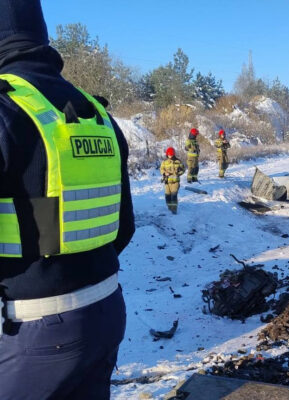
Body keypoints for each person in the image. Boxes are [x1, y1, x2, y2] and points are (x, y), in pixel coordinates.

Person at [0, 1, 135, 398]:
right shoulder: (95, 112)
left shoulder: (6, 107)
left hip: (38, 332)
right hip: (107, 309)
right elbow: (121, 226)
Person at [160, 147, 185, 213]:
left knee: (174, 195)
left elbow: (183, 170)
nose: (170, 156)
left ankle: (174, 209)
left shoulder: (178, 161)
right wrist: (164, 173)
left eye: (171, 154)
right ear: (167, 154)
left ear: (174, 154)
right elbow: (161, 169)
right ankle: (169, 207)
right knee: (167, 196)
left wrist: (178, 174)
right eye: (169, 154)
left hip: (175, 182)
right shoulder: (164, 162)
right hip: (167, 182)